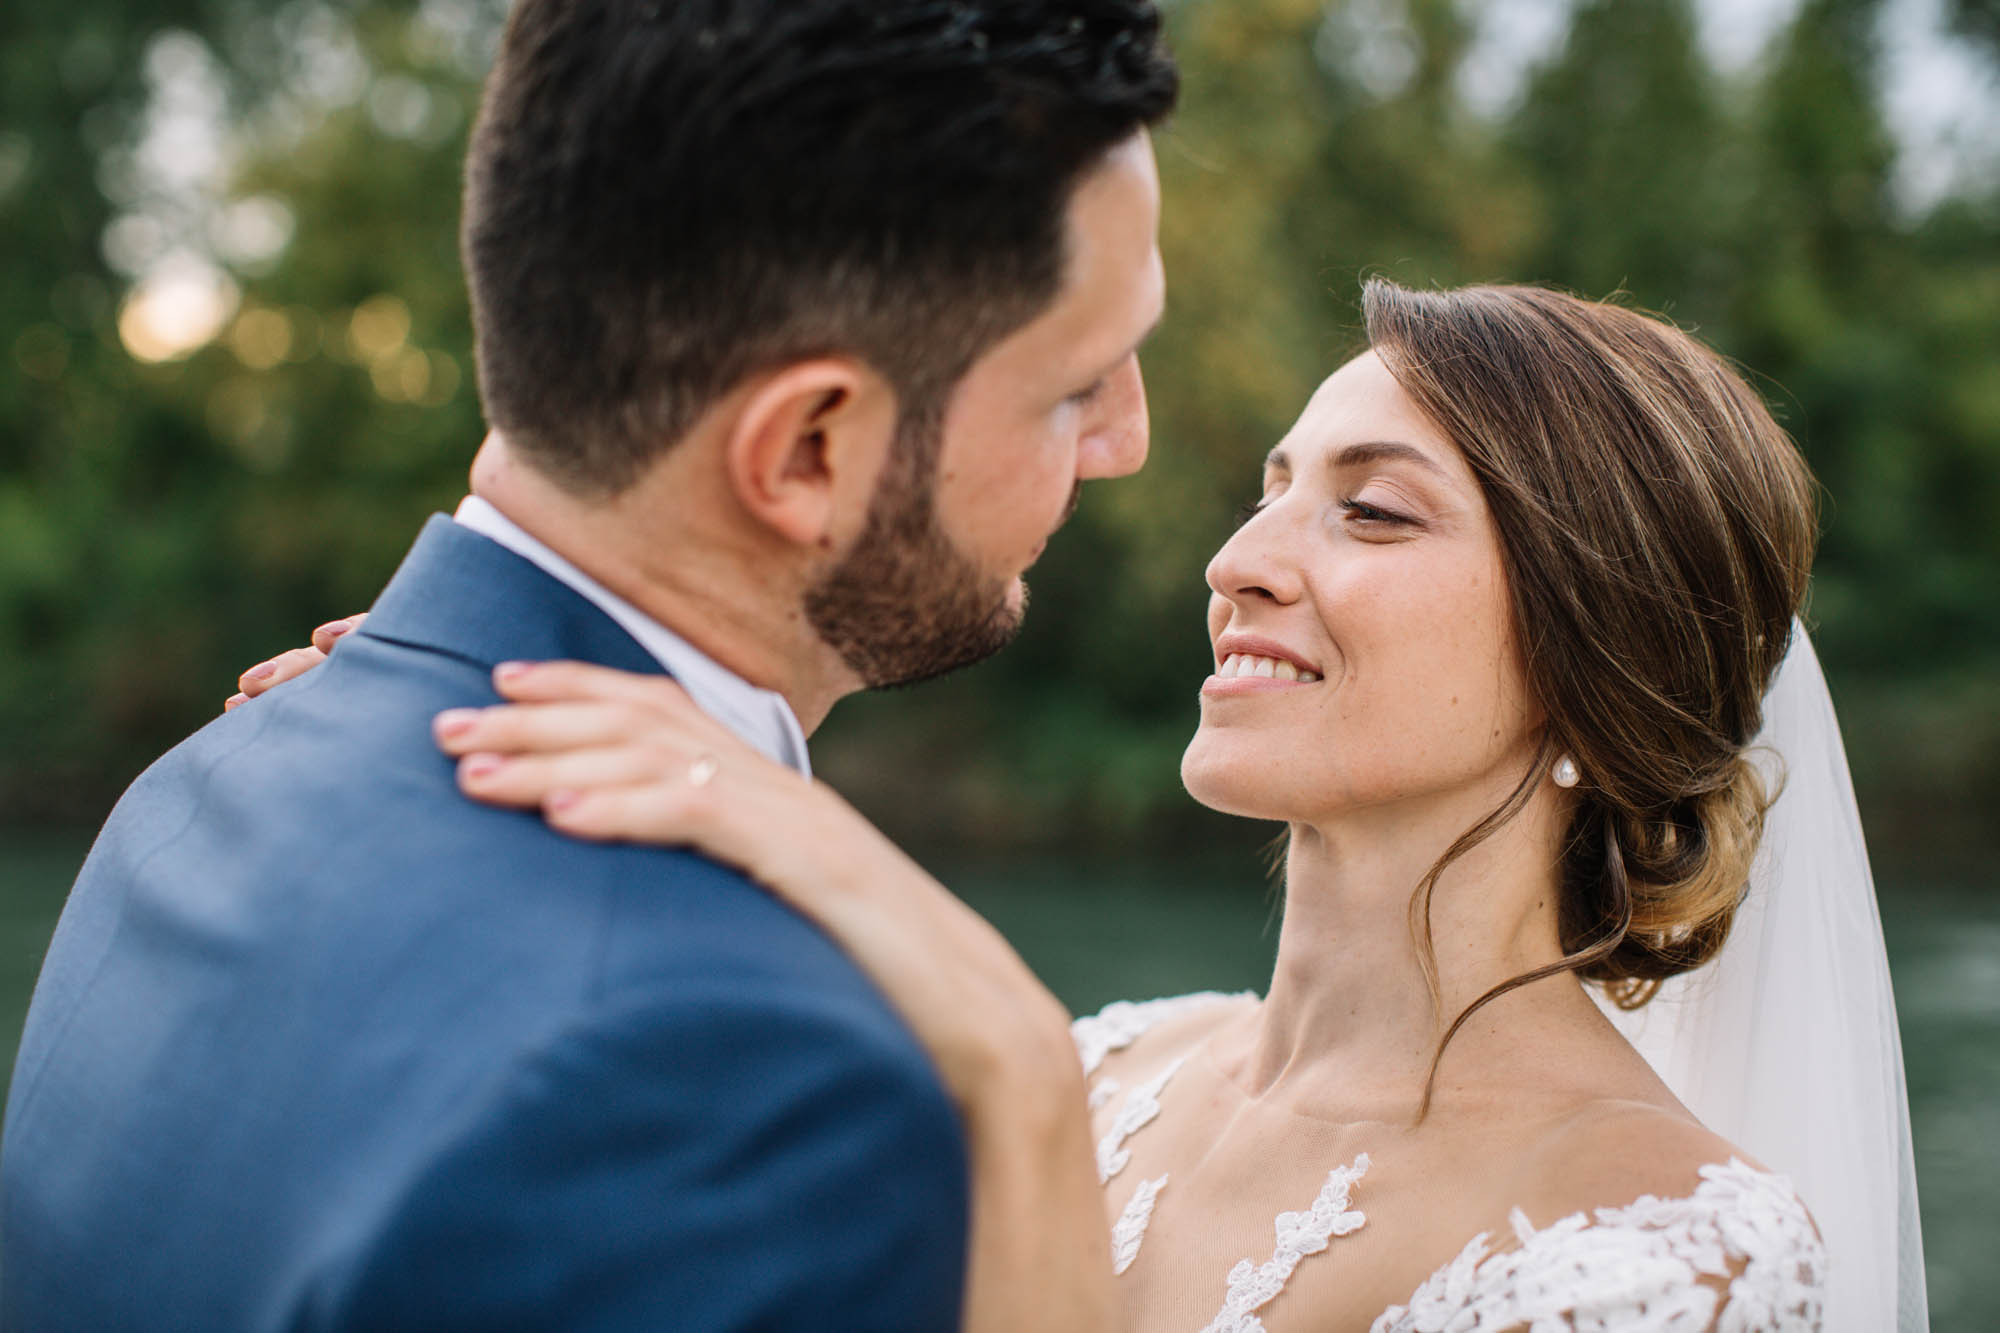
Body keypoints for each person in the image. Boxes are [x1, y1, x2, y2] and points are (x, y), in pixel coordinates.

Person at [263, 281, 1922, 1330]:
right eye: (1271, 492)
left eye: (1376, 515)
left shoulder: (1666, 1251)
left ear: (1591, 655)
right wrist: (480, 768)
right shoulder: (1110, 1059)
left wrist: (944, 974)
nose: (1240, 561)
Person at [0, 2, 1176, 1329]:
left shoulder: (201, 782)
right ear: (806, 449)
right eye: (1079, 383)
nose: (1122, 441)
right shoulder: (759, 1082)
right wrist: (1024, 1080)